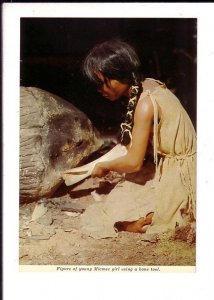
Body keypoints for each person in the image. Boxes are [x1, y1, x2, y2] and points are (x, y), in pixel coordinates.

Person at [80, 39, 196, 239]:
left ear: (118, 75)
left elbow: (133, 163)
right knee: (120, 197)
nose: (100, 90)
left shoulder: (144, 105)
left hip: (182, 172)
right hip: (174, 163)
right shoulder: (148, 85)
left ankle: (149, 220)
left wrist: (105, 166)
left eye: (102, 83)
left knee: (114, 213)